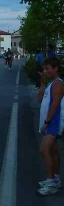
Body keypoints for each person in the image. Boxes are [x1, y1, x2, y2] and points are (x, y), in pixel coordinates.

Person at [37, 57, 64, 196]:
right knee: (53, 151)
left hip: (53, 122)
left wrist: (47, 122)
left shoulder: (58, 83)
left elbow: (55, 104)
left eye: (48, 68)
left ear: (56, 68)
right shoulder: (50, 84)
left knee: (44, 150)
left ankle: (51, 181)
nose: (45, 71)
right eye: (44, 69)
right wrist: (42, 82)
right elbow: (39, 99)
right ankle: (56, 179)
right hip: (48, 122)